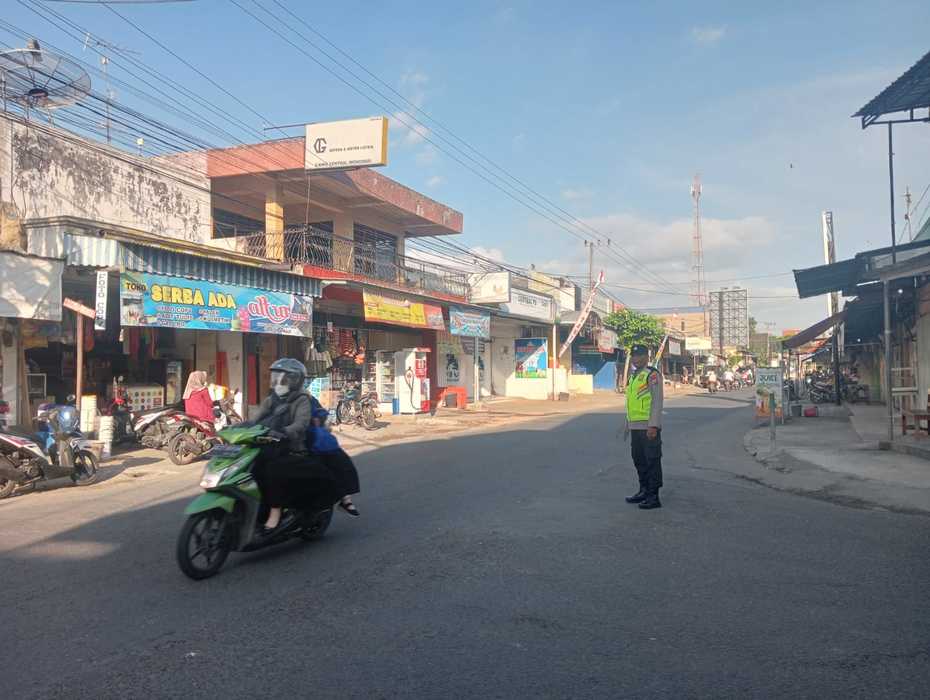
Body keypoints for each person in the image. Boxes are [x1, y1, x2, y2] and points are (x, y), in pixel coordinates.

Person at [622, 344, 664, 510]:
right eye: (634, 356)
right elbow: (631, 402)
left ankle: (653, 496)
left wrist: (653, 425)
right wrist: (628, 424)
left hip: (648, 427)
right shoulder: (633, 376)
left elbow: (657, 401)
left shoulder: (651, 375)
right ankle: (643, 490)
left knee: (652, 460)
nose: (636, 359)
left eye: (640, 355)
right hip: (635, 427)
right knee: (638, 459)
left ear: (647, 357)